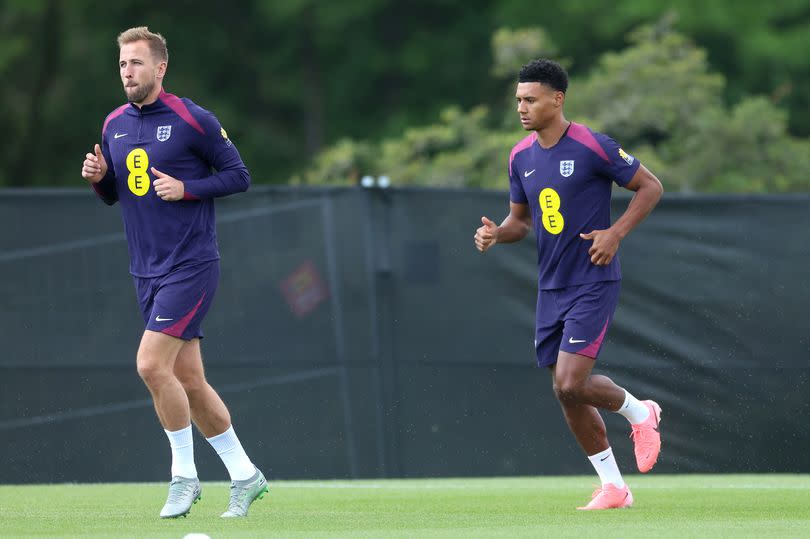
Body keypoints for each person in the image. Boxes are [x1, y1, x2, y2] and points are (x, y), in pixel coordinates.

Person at [80, 26, 267, 519]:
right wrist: (100, 182)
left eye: (137, 63)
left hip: (191, 263)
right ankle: (246, 476)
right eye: (122, 64)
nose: (128, 72)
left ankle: (184, 478)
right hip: (146, 269)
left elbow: (239, 176)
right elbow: (120, 192)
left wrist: (187, 189)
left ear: (160, 68)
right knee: (187, 379)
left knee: (149, 365)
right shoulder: (114, 124)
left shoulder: (191, 119)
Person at [474, 59, 664, 510]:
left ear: (557, 100)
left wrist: (615, 234)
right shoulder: (520, 156)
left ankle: (642, 412)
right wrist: (498, 233)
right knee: (565, 389)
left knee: (571, 380)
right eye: (519, 99)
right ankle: (614, 487)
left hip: (593, 279)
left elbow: (651, 187)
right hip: (551, 286)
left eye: (531, 99)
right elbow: (521, 222)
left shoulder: (591, 145)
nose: (522, 107)